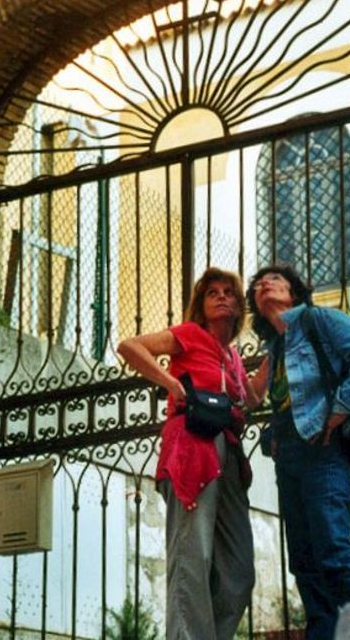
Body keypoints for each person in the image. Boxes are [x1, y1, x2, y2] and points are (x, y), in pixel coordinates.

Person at [117, 267, 266, 640]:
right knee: (192, 555)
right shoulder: (189, 335)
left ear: (238, 307)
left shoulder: (232, 357)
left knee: (239, 571)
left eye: (228, 292)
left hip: (228, 453)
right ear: (201, 305)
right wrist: (170, 382)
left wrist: (279, 350)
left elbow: (252, 398)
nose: (221, 297)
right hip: (192, 445)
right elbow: (130, 346)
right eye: (212, 292)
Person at [246, 264, 350, 640]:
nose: (264, 284)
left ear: (293, 292)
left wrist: (341, 408)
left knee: (333, 555)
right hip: (289, 457)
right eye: (258, 284)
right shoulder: (275, 348)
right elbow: (257, 397)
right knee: (304, 564)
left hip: (324, 450)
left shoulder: (319, 320)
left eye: (274, 279)